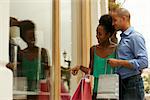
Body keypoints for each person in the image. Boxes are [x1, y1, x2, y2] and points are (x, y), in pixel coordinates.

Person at [70, 14, 117, 100]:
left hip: (112, 93)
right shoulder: (93, 49)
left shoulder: (116, 49)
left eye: (100, 34)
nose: (97, 36)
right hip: (97, 93)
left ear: (108, 35)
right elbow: (91, 71)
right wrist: (80, 67)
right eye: (96, 33)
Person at [108, 8, 148, 100]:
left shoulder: (135, 37)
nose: (113, 24)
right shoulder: (123, 38)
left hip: (132, 84)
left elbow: (143, 62)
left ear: (124, 18)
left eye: (115, 20)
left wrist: (118, 63)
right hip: (123, 83)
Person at [16, 20, 49, 100]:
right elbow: (18, 74)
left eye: (34, 36)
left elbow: (48, 73)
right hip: (24, 92)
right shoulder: (20, 54)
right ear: (24, 38)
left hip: (41, 91)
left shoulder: (42, 52)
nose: (33, 40)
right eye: (29, 37)